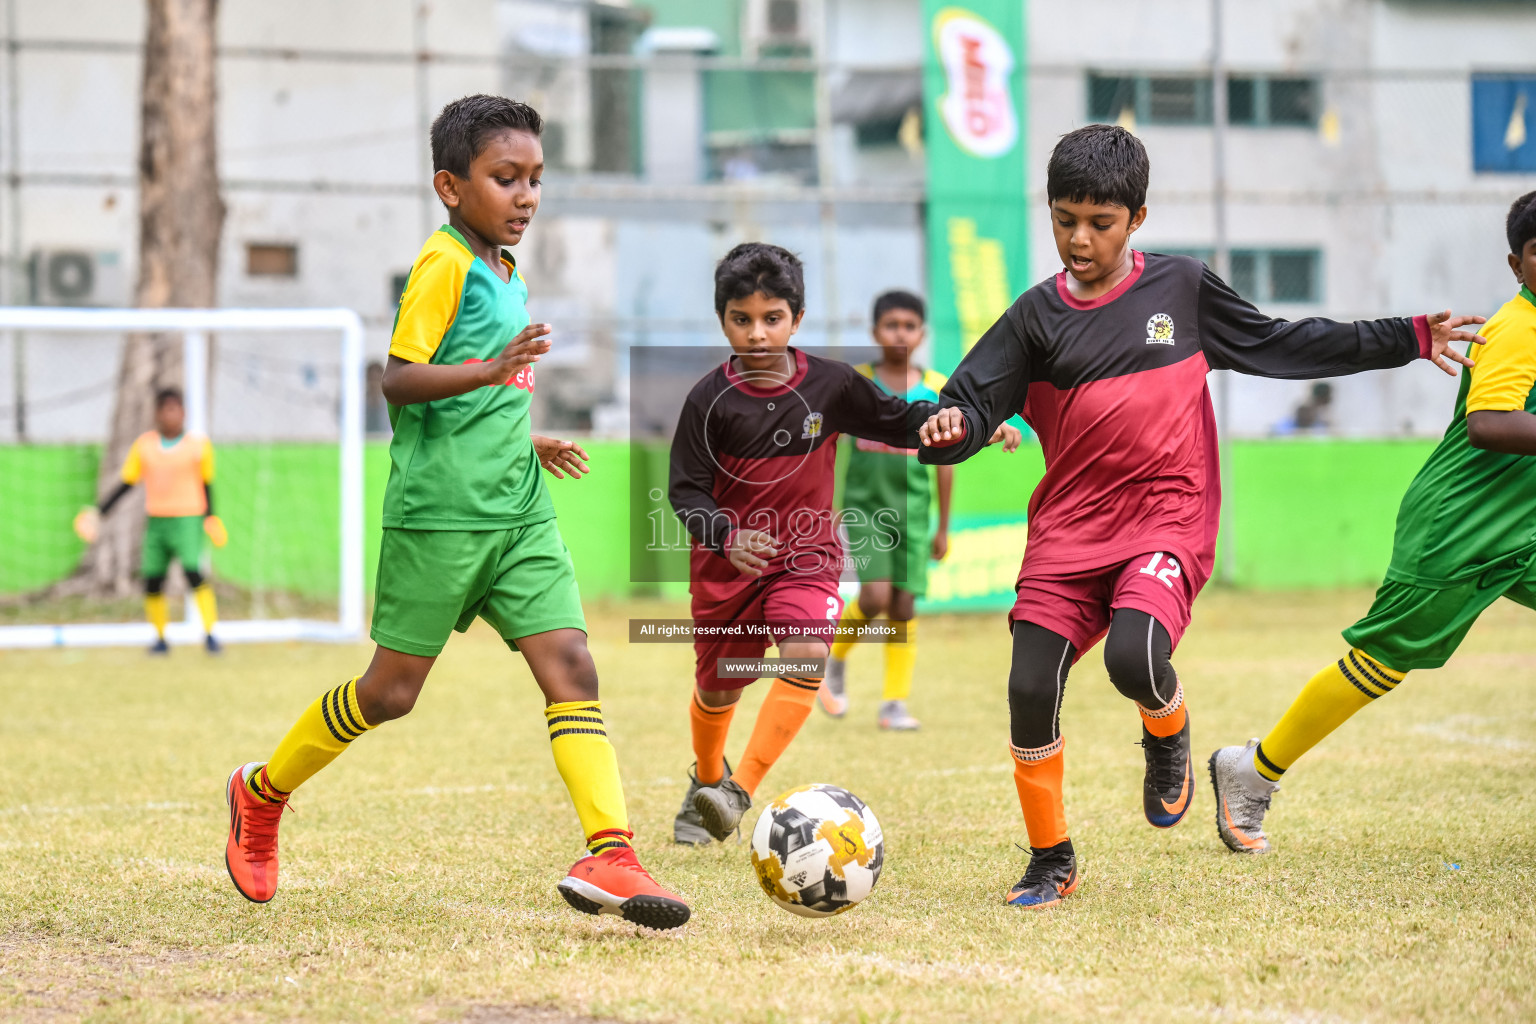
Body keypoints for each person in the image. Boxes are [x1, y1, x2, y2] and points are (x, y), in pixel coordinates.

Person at [917, 123, 1484, 909]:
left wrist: (1408, 336)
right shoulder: (1034, 317)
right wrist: (950, 431)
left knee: (1135, 658)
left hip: (1164, 517)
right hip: (1067, 532)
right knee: (1028, 685)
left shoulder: (1180, 289)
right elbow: (972, 403)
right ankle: (1052, 860)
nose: (1079, 239)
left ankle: (1167, 729)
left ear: (1137, 219)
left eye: (1100, 222)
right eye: (1064, 219)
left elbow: (1282, 344)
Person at [221, 94, 689, 930]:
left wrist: (526, 433)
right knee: (390, 693)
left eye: (536, 179)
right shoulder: (443, 264)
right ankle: (261, 794)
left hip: (517, 513)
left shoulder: (507, 271)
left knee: (572, 666)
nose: (525, 196)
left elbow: (491, 385)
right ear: (450, 186)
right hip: (439, 519)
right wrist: (488, 371)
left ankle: (612, 852)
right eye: (504, 178)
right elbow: (398, 379)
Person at [1209, 191, 1536, 854]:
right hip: (1462, 526)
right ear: (1516, 263)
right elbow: (1489, 425)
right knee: (1382, 662)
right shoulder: (1518, 327)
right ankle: (1254, 770)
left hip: (1523, 525)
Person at [668, 243, 1013, 845]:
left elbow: (901, 419)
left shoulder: (830, 385)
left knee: (806, 656)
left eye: (772, 318)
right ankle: (704, 779)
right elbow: (687, 493)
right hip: (726, 567)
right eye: (741, 320)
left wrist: (968, 424)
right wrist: (724, 534)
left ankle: (737, 791)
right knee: (717, 687)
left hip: (806, 557)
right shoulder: (706, 401)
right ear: (721, 319)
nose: (757, 334)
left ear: (796, 321)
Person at [821, 290, 1021, 730]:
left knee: (905, 605)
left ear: (922, 333)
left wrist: (942, 527)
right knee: (874, 597)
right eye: (891, 324)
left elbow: (949, 458)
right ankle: (832, 657)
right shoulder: (856, 384)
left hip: (914, 514)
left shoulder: (936, 388)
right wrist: (828, 508)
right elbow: (830, 449)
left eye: (909, 326)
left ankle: (893, 703)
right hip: (866, 511)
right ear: (875, 332)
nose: (900, 333)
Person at [73, 387, 226, 654]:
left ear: (183, 412)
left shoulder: (198, 446)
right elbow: (126, 483)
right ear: (157, 413)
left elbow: (206, 483)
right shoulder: (145, 446)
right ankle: (160, 638)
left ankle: (211, 634)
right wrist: (100, 512)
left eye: (175, 409)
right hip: (157, 520)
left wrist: (211, 517)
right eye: (165, 409)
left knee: (193, 572)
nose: (171, 415)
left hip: (188, 518)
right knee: (153, 579)